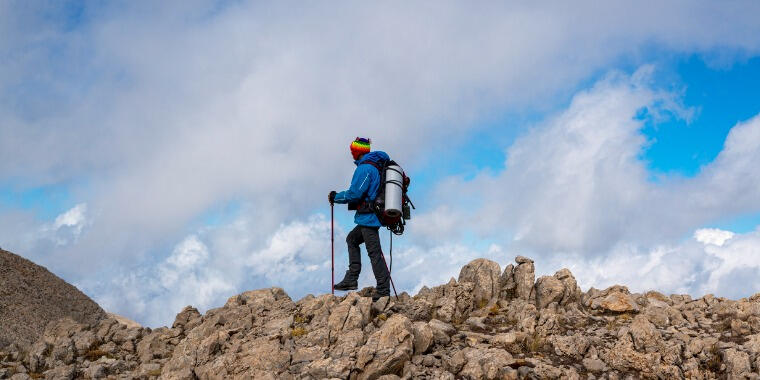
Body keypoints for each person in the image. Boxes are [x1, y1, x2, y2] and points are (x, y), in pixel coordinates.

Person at [328, 137, 391, 301]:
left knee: (374, 253)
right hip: (370, 216)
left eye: (352, 151)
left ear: (357, 152)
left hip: (369, 217)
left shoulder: (365, 169)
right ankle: (352, 279)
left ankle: (383, 290)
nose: (351, 154)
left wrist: (336, 197)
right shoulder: (375, 166)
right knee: (352, 239)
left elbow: (355, 194)